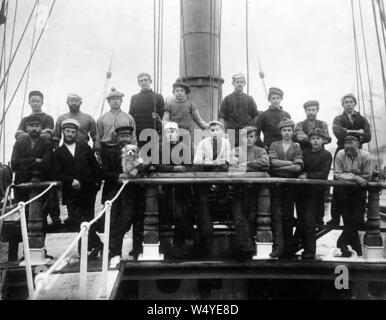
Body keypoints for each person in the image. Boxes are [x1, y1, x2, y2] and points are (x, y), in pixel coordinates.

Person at [54, 119, 103, 258]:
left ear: (76, 133)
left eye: (73, 131)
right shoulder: (58, 152)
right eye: (67, 131)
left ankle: (84, 252)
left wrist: (97, 184)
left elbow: (95, 167)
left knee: (87, 220)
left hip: (88, 191)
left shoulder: (84, 147)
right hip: (71, 193)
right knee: (76, 222)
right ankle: (98, 244)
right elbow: (57, 172)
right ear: (63, 132)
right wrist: (71, 180)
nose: (70, 134)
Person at [11, 115, 54, 260]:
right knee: (25, 218)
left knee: (41, 217)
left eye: (37, 125)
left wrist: (26, 163)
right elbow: (14, 164)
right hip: (22, 186)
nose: (34, 128)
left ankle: (41, 249)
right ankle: (26, 253)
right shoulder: (19, 143)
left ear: (41, 128)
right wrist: (35, 160)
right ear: (26, 128)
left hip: (42, 185)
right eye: (31, 126)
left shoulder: (47, 144)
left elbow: (48, 165)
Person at [15, 90, 60, 226]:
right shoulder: (25, 120)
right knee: (21, 192)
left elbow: (47, 136)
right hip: (29, 167)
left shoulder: (48, 118)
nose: (35, 103)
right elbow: (18, 136)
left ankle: (55, 216)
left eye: (38, 101)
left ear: (42, 102)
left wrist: (29, 136)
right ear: (29, 102)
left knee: (49, 191)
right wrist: (33, 159)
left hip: (45, 157)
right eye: (33, 101)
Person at [100, 125, 141, 265]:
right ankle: (115, 253)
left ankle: (113, 248)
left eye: (127, 136)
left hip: (130, 192)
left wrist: (136, 171)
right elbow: (103, 172)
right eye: (122, 136)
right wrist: (118, 175)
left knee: (126, 220)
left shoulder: (136, 151)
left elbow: (144, 165)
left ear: (131, 137)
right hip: (113, 190)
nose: (124, 139)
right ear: (117, 138)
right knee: (112, 221)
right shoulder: (109, 152)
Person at [329, 93, 371, 226]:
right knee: (338, 184)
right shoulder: (338, 118)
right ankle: (335, 217)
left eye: (351, 102)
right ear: (342, 105)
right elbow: (338, 132)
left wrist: (349, 132)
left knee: (361, 183)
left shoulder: (362, 119)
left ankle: (359, 216)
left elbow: (368, 135)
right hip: (342, 150)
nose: (348, 104)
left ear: (355, 103)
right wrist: (358, 132)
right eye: (346, 102)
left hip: (358, 151)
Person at [154, 122, 195, 257]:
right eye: (168, 131)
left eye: (173, 131)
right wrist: (173, 169)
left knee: (182, 211)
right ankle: (161, 243)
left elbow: (189, 166)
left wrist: (181, 170)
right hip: (164, 186)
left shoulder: (184, 148)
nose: (170, 134)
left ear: (178, 133)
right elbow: (156, 165)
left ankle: (181, 242)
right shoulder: (159, 147)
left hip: (181, 186)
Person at [230, 126, 270, 260]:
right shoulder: (236, 150)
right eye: (245, 137)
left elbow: (266, 163)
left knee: (252, 216)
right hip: (239, 188)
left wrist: (246, 164)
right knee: (238, 217)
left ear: (256, 138)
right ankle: (247, 248)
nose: (248, 139)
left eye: (251, 136)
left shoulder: (260, 150)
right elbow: (233, 165)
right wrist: (253, 165)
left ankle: (248, 247)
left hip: (254, 189)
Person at [193, 121, 230, 257]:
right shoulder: (203, 143)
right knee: (203, 205)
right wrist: (211, 163)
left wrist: (220, 163)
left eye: (217, 130)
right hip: (205, 177)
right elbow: (197, 161)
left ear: (222, 131)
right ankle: (207, 241)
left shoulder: (226, 142)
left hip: (220, 177)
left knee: (220, 200)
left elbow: (227, 160)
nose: (215, 132)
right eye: (212, 130)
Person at [268, 118, 303, 258]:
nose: (287, 133)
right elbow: (273, 164)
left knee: (288, 216)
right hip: (277, 185)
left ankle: (288, 249)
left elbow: (298, 167)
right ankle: (278, 247)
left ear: (293, 131)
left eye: (289, 130)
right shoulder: (274, 145)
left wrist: (283, 166)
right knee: (276, 216)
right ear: (280, 132)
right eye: (284, 130)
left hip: (291, 185)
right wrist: (289, 162)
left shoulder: (297, 146)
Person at [334, 135, 372, 257]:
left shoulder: (365, 156)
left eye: (351, 143)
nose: (347, 146)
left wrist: (348, 176)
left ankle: (341, 243)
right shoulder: (340, 154)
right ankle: (356, 251)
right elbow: (337, 174)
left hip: (359, 193)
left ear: (358, 144)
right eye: (345, 143)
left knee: (358, 221)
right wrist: (355, 177)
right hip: (344, 193)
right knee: (349, 221)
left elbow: (367, 177)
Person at [297, 128, 332, 259]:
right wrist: (303, 175)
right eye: (313, 139)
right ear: (309, 141)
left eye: (318, 138)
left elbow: (323, 175)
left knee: (309, 220)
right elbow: (300, 170)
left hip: (317, 193)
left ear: (323, 140)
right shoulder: (304, 153)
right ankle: (297, 247)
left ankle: (310, 251)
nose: (315, 141)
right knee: (302, 220)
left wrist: (307, 175)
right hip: (303, 192)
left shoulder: (326, 155)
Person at [96, 88, 137, 165]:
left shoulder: (128, 118)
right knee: (107, 173)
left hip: (124, 149)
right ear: (108, 102)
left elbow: (133, 136)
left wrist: (133, 150)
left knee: (122, 171)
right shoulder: (102, 118)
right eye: (113, 99)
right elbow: (98, 137)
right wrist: (98, 153)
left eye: (117, 99)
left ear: (121, 101)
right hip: (107, 149)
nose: (115, 101)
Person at [218, 74, 259, 147]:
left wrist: (252, 130)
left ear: (244, 84)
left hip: (245, 131)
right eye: (237, 82)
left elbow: (256, 115)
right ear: (233, 83)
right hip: (231, 131)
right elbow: (222, 117)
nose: (239, 84)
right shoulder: (227, 99)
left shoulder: (249, 99)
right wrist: (223, 132)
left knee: (243, 155)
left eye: (241, 82)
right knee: (231, 153)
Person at [129, 73, 165, 147]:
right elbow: (130, 116)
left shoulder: (158, 97)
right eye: (141, 81)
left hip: (154, 132)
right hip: (138, 133)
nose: (143, 82)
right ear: (138, 83)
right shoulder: (134, 98)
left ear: (150, 81)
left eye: (146, 80)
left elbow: (162, 115)